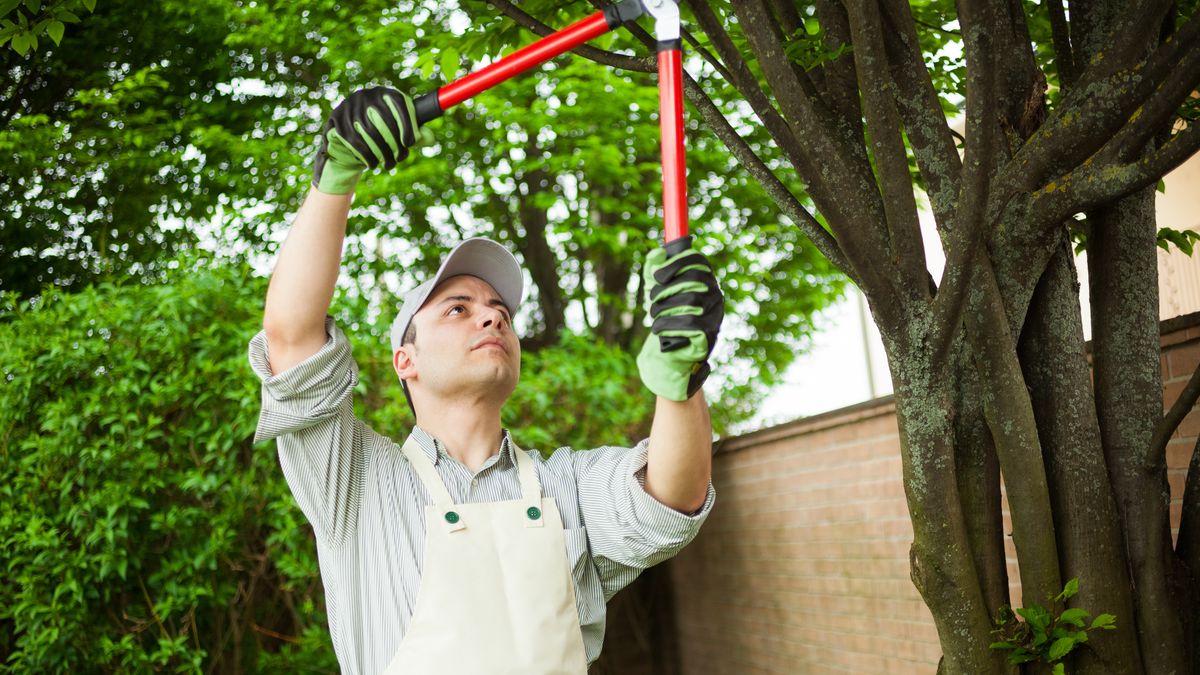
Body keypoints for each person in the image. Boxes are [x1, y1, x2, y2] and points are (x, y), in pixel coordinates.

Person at [248, 86, 724, 674]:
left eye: (500, 309)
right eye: (458, 308)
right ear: (407, 361)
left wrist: (682, 380)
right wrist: (334, 176)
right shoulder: (357, 483)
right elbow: (292, 339)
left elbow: (671, 498)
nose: (492, 314)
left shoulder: (565, 487)